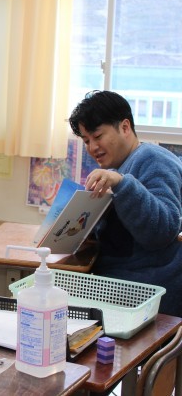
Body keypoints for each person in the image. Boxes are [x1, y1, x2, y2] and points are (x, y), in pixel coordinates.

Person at [69, 90, 182, 317]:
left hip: (148, 292)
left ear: (125, 127)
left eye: (97, 136)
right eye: (86, 140)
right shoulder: (119, 167)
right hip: (124, 283)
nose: (92, 147)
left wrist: (122, 184)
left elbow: (164, 229)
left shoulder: (153, 159)